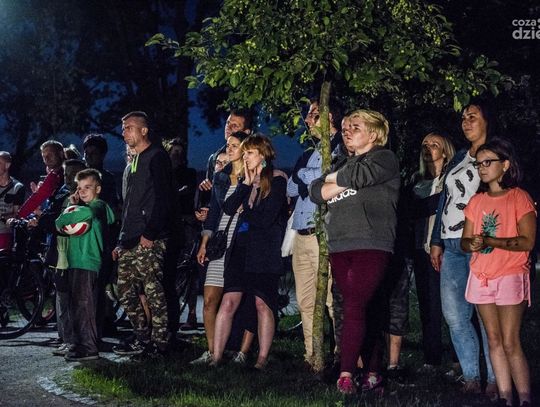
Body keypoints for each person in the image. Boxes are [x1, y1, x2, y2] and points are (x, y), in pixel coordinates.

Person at [309, 109, 400, 394]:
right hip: (340, 245)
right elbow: (315, 191)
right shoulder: (343, 162)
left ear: (373, 134)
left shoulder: (385, 158)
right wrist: (338, 179)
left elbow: (357, 177)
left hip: (371, 243)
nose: (347, 131)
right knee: (362, 307)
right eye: (346, 127)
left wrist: (333, 180)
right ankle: (372, 372)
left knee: (354, 305)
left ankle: (346, 372)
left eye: (355, 127)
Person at [462, 138, 535, 407]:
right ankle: (505, 397)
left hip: (510, 274)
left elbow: (527, 241)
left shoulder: (519, 197)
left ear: (505, 165)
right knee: (493, 339)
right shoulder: (476, 201)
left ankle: (524, 398)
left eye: (488, 162)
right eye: (479, 164)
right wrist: (473, 244)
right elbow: (465, 241)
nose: (482, 168)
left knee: (510, 341)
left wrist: (491, 241)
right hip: (481, 275)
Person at [430, 100, 496, 396]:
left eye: (473, 116)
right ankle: (470, 376)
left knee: (486, 315)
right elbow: (444, 200)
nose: (466, 122)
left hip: (480, 242)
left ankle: (495, 378)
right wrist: (436, 241)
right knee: (455, 314)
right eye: (463, 117)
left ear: (487, 120)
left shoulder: (495, 154)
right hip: (451, 243)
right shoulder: (458, 157)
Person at [211, 135, 288, 369]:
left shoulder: (277, 179)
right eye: (244, 153)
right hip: (240, 249)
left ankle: (261, 359)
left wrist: (245, 212)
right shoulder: (247, 182)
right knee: (228, 301)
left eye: (250, 153)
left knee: (262, 304)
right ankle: (216, 357)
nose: (245, 157)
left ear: (263, 155)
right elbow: (228, 207)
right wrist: (244, 185)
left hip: (264, 252)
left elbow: (266, 218)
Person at [385, 133, 456, 375]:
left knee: (452, 306)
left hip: (447, 247)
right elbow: (410, 210)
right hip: (420, 248)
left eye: (435, 145)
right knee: (428, 304)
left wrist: (428, 205)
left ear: (445, 151)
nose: (428, 148)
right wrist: (435, 203)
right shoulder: (416, 182)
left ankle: (458, 359)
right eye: (425, 144)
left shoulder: (451, 179)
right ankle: (432, 357)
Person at [286, 97, 343, 367]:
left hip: (323, 233)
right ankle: (312, 355)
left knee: (331, 300)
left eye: (313, 114)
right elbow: (290, 187)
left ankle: (342, 356)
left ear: (330, 116)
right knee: (305, 300)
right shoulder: (308, 152)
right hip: (301, 233)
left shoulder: (340, 148)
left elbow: (329, 177)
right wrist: (309, 176)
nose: (308, 120)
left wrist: (306, 177)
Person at [112, 111, 173, 356]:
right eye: (123, 128)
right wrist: (120, 241)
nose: (124, 132)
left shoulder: (157, 157)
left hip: (149, 238)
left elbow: (164, 198)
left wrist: (151, 232)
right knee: (124, 291)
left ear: (144, 130)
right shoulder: (133, 162)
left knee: (153, 290)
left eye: (129, 127)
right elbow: (129, 206)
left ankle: (160, 343)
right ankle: (142, 337)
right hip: (129, 238)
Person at [191, 131, 254, 365]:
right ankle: (212, 351)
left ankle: (238, 350)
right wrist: (204, 242)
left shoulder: (253, 176)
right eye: (228, 145)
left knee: (238, 301)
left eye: (235, 145)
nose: (229, 148)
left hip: (241, 240)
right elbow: (214, 213)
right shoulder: (220, 177)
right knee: (209, 300)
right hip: (220, 241)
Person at [55, 168, 115, 361]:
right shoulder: (83, 208)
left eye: (87, 187)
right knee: (76, 306)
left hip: (88, 262)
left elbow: (62, 221)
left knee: (85, 305)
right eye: (79, 188)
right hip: (76, 262)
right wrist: (72, 208)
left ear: (98, 189)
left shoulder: (98, 206)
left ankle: (89, 347)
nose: (82, 191)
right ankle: (79, 344)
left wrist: (68, 210)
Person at [50, 159, 88, 356]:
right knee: (62, 296)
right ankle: (66, 338)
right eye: (66, 174)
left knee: (75, 299)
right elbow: (52, 220)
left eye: (73, 175)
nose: (68, 179)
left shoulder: (86, 200)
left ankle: (77, 341)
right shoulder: (61, 196)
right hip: (60, 253)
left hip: (77, 255)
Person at [163, 138, 198, 333]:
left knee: (189, 270)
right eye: (173, 151)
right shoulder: (164, 173)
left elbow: (187, 192)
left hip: (186, 223)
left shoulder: (189, 173)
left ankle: (192, 313)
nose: (176, 155)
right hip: (169, 225)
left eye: (179, 152)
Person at [198, 109, 254, 196]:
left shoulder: (254, 156)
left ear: (246, 132)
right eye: (228, 123)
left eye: (234, 126)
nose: (228, 127)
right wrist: (205, 187)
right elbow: (212, 191)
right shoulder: (214, 158)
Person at [17, 140, 64, 219]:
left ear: (61, 154)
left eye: (50, 155)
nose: (47, 159)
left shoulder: (71, 170)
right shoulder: (53, 175)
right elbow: (38, 197)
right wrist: (18, 216)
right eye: (44, 157)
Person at [0, 152, 25, 251]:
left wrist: (2, 217)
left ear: (7, 165)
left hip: (4, 233)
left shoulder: (17, 187)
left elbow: (17, 214)